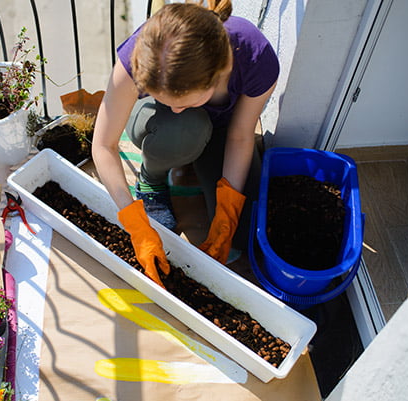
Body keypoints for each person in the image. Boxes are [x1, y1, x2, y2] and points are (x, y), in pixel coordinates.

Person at [91, 1, 279, 288]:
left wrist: (227, 215)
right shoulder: (139, 56)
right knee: (183, 126)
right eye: (168, 100)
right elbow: (103, 145)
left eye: (186, 102)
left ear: (220, 74)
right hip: (160, 124)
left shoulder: (256, 57)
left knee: (244, 232)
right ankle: (152, 179)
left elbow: (240, 135)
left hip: (221, 131)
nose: (178, 107)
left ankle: (196, 157)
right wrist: (135, 223)